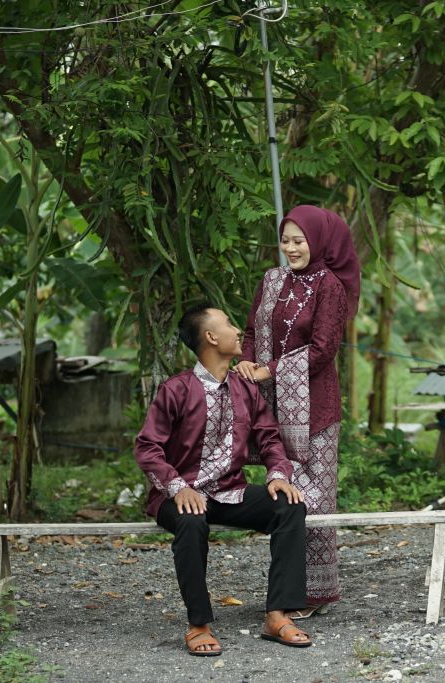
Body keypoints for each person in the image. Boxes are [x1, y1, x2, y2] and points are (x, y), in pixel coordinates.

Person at [135, 304, 313, 656]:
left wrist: (278, 474)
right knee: (191, 520)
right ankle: (198, 624)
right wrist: (178, 487)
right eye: (229, 324)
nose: (237, 330)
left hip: (229, 492)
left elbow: (269, 438)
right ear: (211, 337)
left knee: (290, 505)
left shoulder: (244, 388)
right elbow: (147, 447)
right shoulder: (176, 390)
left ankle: (277, 614)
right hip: (179, 495)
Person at [235, 204, 360, 619]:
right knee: (284, 497)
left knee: (315, 501)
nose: (290, 248)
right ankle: (287, 592)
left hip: (316, 411)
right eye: (285, 241)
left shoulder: (329, 287)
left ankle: (316, 593)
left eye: (299, 241)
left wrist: (270, 369)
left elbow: (324, 350)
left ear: (318, 242)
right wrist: (247, 363)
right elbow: (251, 331)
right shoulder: (271, 280)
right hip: (272, 407)